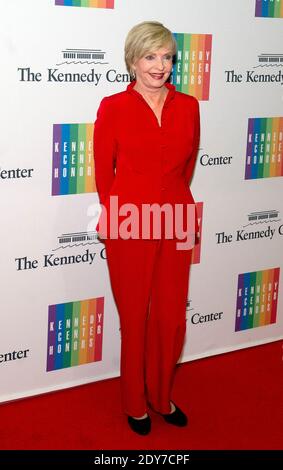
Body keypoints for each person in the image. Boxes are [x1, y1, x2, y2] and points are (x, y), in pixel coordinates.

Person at [93, 21, 200, 435]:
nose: (160, 65)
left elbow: (187, 168)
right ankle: (134, 402)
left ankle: (161, 395)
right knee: (134, 316)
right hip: (128, 221)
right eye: (151, 56)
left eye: (167, 57)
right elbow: (105, 173)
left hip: (175, 218)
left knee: (171, 316)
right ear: (133, 60)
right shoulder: (113, 107)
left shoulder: (189, 105)